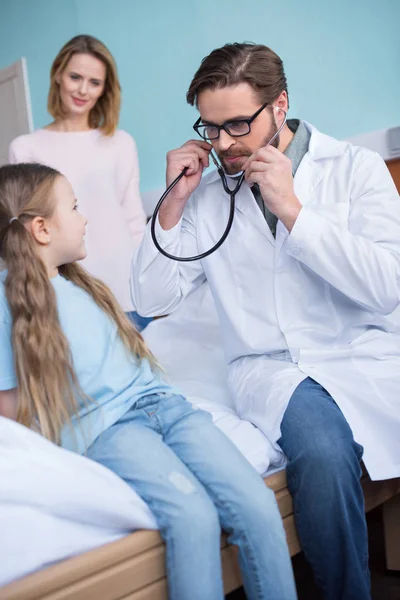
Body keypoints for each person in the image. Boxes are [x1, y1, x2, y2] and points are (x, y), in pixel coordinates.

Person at [131, 42, 400, 600]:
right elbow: (153, 299)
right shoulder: (205, 195)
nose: (223, 143)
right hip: (271, 368)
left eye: (236, 125)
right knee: (324, 454)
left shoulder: (354, 169)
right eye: (210, 128)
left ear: (280, 106)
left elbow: (387, 285)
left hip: (359, 352)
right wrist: (173, 205)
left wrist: (293, 211)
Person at [0, 162, 298, 600]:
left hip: (169, 407)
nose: (84, 219)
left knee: (256, 503)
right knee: (192, 515)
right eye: (75, 208)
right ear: (41, 228)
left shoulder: (81, 285)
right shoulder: (8, 303)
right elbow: (11, 413)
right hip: (110, 430)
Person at [8, 34, 148, 328]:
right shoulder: (26, 147)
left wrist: (146, 286)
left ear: (104, 90)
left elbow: (133, 220)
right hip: (63, 292)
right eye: (75, 77)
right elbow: (26, 234)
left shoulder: (120, 142)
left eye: (94, 82)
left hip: (124, 291)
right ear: (58, 75)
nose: (83, 90)